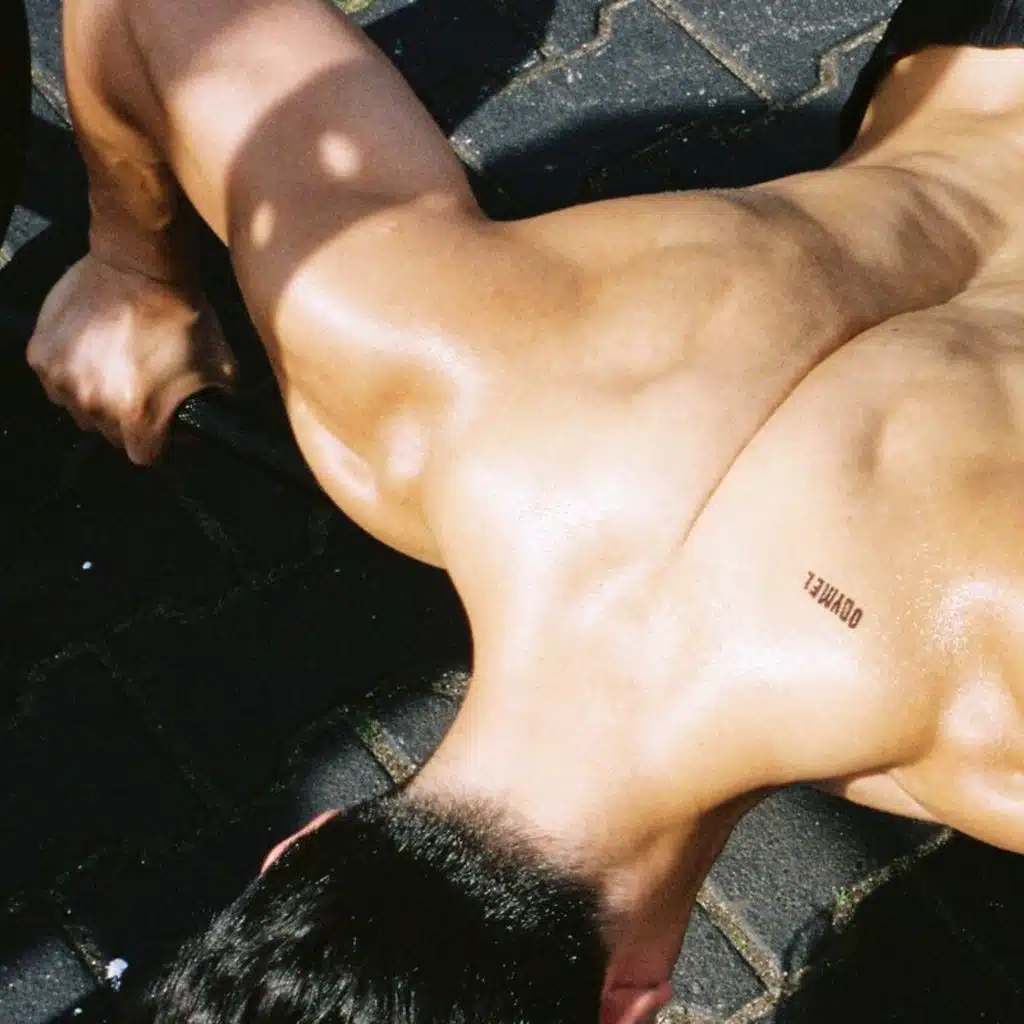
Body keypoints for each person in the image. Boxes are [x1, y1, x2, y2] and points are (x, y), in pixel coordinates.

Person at [26, 0, 1024, 1020]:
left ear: (627, 1006)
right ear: (301, 845)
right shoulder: (407, 390)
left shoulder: (993, 729)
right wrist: (133, 269)